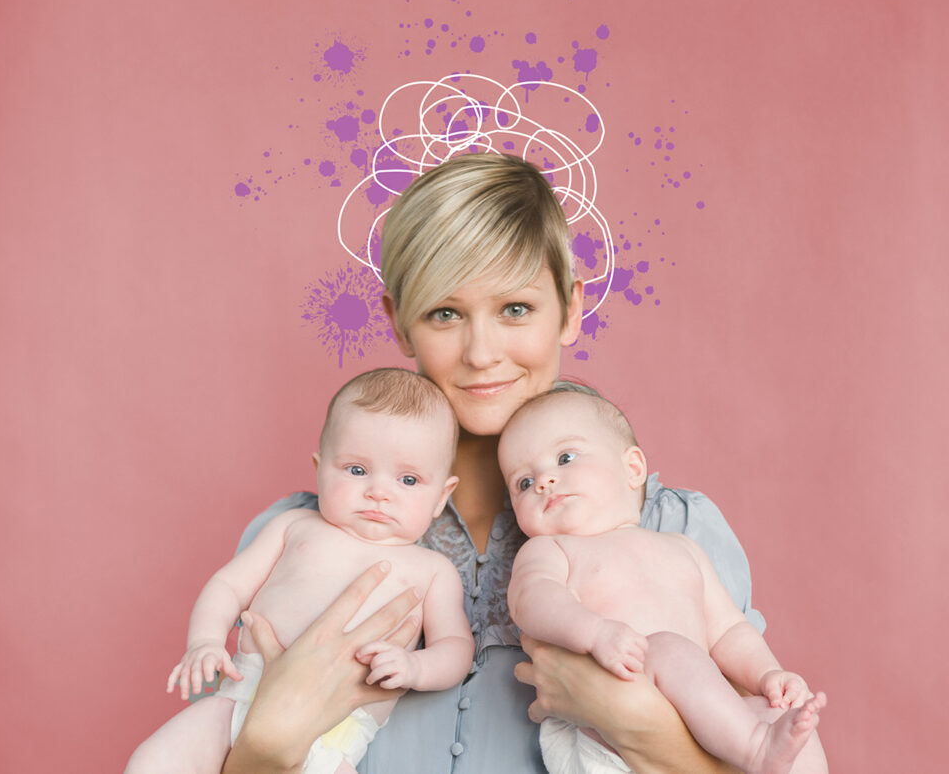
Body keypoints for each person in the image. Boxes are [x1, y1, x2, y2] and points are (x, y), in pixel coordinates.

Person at [223, 153, 790, 774]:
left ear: (571, 309)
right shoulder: (304, 536)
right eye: (445, 313)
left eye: (515, 309)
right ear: (399, 324)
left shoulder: (674, 532)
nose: (482, 353)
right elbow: (219, 737)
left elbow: (760, 753)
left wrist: (642, 727)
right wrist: (265, 746)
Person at [127, 368, 475, 774]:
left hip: (339, 736)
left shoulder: (433, 570)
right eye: (357, 470)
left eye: (409, 479)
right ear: (320, 466)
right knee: (150, 763)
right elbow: (227, 585)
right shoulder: (294, 526)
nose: (379, 492)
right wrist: (204, 640)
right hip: (240, 699)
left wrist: (416, 667)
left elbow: (455, 646)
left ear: (441, 496)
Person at [500, 385, 826, 774]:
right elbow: (532, 601)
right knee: (669, 648)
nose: (543, 482)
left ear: (632, 468)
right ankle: (756, 749)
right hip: (603, 733)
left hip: (704, 726)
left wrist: (769, 675)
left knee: (786, 716)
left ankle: (764, 746)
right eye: (523, 482)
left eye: (565, 458)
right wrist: (595, 633)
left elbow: (728, 631)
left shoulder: (682, 547)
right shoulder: (550, 550)